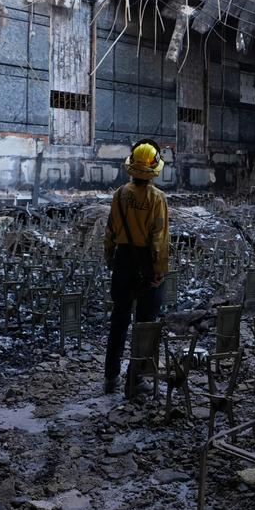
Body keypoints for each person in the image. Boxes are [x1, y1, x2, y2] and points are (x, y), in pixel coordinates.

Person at [103, 139, 170, 395]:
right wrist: (158, 272)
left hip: (122, 261)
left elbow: (109, 232)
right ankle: (136, 380)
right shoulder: (157, 198)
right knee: (145, 324)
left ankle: (111, 378)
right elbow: (159, 240)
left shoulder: (119, 195)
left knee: (119, 320)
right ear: (154, 169)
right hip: (145, 263)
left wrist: (112, 261)